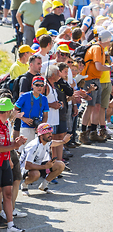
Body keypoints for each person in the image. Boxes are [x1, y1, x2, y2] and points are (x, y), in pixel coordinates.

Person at [79, 30, 112, 145]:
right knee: (90, 106)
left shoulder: (100, 48)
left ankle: (93, 132)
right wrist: (111, 68)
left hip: (95, 79)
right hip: (90, 79)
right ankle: (83, 133)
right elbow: (98, 66)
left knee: (96, 106)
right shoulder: (97, 48)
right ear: (107, 39)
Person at [20, 122, 70, 196]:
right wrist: (45, 167)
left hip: (39, 164)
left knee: (60, 165)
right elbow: (27, 165)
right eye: (47, 133)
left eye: (50, 133)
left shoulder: (46, 140)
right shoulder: (34, 146)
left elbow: (52, 143)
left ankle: (44, 186)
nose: (50, 135)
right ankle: (24, 185)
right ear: (41, 135)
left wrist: (63, 141)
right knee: (36, 174)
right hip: (25, 168)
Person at [0, 97, 26, 232]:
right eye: (11, 109)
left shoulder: (5, 124)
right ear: (8, 111)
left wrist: (15, 145)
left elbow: (6, 145)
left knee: (8, 194)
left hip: (4, 162)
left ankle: (10, 226)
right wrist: (15, 145)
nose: (13, 111)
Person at [14, 76, 49, 146]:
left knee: (37, 151)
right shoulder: (24, 96)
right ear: (32, 85)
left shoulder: (44, 99)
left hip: (38, 128)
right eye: (37, 85)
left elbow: (45, 115)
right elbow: (14, 110)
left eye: (42, 85)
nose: (39, 87)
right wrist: (23, 119)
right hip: (25, 127)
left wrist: (41, 126)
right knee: (25, 150)